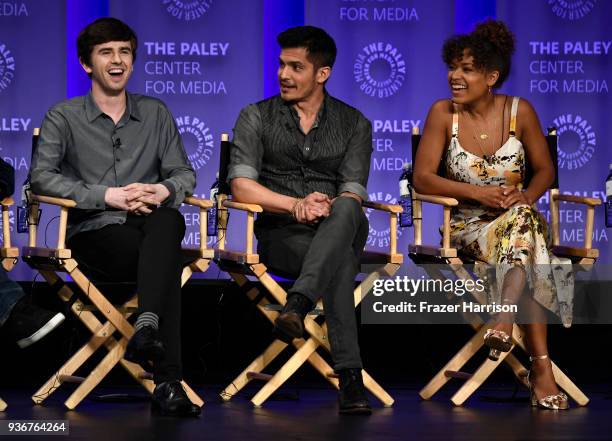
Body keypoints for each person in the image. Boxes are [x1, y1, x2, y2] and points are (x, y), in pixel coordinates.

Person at [30, 18, 199, 417]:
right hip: (93, 234)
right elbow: (41, 178)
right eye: (106, 52)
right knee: (165, 251)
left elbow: (184, 173)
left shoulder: (156, 113)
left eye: (124, 51)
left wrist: (161, 190)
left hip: (148, 230)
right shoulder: (64, 116)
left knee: (170, 221)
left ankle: (146, 331)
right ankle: (168, 380)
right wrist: (108, 196)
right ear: (87, 64)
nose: (117, 59)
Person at [414, 20, 572, 410]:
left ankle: (504, 320)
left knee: (524, 226)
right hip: (466, 227)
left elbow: (545, 169)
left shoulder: (521, 111)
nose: (455, 76)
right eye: (453, 67)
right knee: (533, 247)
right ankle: (541, 368)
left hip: (516, 222)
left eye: (466, 69)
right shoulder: (441, 114)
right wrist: (477, 193)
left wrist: (525, 195)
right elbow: (422, 178)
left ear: (491, 76)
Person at [229, 26, 373, 415]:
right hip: (284, 234)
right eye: (281, 65)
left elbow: (354, 190)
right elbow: (241, 187)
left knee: (346, 207)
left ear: (322, 74)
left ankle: (298, 303)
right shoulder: (255, 116)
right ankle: (350, 378)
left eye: (295, 67)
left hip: (339, 223)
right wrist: (296, 206)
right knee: (339, 263)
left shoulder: (354, 122)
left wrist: (324, 207)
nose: (283, 75)